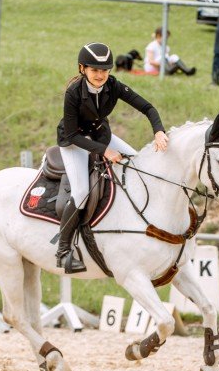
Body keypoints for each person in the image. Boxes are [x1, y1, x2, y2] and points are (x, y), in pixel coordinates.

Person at [56, 42, 169, 273]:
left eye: (105, 70)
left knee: (138, 164)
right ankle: (63, 250)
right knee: (81, 192)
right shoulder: (73, 92)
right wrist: (103, 151)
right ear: (82, 69)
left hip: (100, 135)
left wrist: (158, 130)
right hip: (74, 141)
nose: (100, 75)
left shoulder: (113, 85)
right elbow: (71, 133)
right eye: (95, 70)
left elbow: (148, 108)